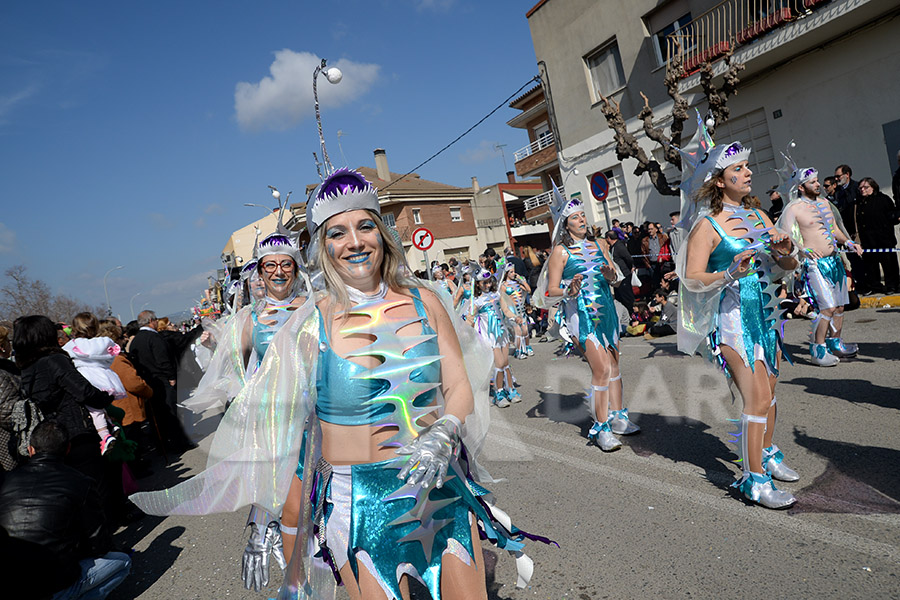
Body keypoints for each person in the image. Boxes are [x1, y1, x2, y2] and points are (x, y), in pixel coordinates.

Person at [131, 166, 550, 600]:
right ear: (322, 248)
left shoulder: (426, 301)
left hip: (439, 493)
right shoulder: (309, 324)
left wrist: (446, 430)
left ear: (382, 233)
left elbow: (458, 386)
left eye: (365, 225)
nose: (354, 241)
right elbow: (276, 437)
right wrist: (263, 525)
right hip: (360, 506)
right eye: (337, 232)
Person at [677, 134, 800, 509]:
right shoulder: (706, 226)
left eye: (746, 167)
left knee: (771, 395)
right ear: (719, 180)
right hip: (732, 321)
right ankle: (753, 481)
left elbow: (787, 266)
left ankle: (763, 454)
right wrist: (729, 273)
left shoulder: (759, 215)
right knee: (756, 398)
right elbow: (692, 277)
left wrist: (785, 253)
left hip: (766, 316)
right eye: (738, 168)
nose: (748, 173)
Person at [535, 186, 640, 452]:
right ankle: (601, 428)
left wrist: (610, 275)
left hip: (607, 311)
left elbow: (616, 278)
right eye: (575, 217)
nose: (582, 220)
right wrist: (570, 290)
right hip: (581, 315)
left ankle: (618, 417)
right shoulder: (560, 252)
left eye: (583, 215)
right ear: (565, 225)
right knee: (601, 368)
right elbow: (551, 290)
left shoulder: (598, 244)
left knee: (614, 366)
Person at [0, 420, 131, 599]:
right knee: (123, 562)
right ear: (68, 449)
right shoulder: (80, 482)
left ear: (30, 449)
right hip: (54, 583)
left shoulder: (6, 480)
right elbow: (99, 542)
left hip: (12, 582)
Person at [13, 315, 125, 518]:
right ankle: (105, 540)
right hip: (78, 432)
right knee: (97, 487)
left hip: (53, 436)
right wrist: (106, 396)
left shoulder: (26, 367)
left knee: (76, 493)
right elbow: (84, 392)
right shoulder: (54, 361)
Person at [776, 165, 863, 365]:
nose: (817, 185)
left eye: (817, 181)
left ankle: (835, 343)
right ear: (801, 187)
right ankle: (818, 349)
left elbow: (834, 230)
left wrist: (849, 242)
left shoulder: (824, 203)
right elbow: (784, 235)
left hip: (834, 261)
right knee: (827, 308)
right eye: (812, 182)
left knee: (840, 305)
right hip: (815, 265)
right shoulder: (793, 208)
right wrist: (802, 249)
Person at [128, 310, 195, 452]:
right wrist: (171, 377)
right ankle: (178, 443)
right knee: (171, 413)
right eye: (156, 320)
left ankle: (162, 444)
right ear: (151, 321)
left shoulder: (135, 341)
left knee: (157, 416)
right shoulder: (154, 338)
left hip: (148, 382)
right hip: (163, 381)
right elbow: (163, 360)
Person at [63, 312, 127, 455]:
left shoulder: (72, 345)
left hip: (85, 377)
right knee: (102, 405)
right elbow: (113, 353)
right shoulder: (102, 342)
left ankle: (105, 436)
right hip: (103, 375)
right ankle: (110, 424)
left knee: (94, 409)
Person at [471, 265, 521, 405]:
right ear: (478, 284)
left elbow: (505, 310)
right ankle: (499, 393)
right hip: (489, 336)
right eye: (484, 283)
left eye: (489, 282)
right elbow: (470, 318)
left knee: (505, 363)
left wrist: (515, 318)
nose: (488, 285)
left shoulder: (497, 295)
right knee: (498, 364)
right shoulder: (476, 301)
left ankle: (510, 389)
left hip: (501, 333)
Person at [856, 177, 900, 294]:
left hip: (884, 239)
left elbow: (892, 214)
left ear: (873, 187)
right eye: (860, 188)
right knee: (871, 266)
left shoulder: (883, 199)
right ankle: (875, 286)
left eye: (866, 187)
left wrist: (894, 218)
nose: (862, 190)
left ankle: (892, 285)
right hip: (868, 241)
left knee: (889, 265)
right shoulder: (860, 202)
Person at [501, 263, 533, 358]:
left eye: (514, 271)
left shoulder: (517, 283)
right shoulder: (503, 286)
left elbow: (528, 290)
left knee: (525, 330)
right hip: (512, 311)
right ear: (506, 273)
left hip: (521, 310)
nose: (513, 273)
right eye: (511, 272)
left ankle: (528, 347)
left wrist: (521, 280)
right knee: (517, 331)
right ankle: (519, 351)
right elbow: (501, 299)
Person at [605, 230, 635, 315]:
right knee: (619, 297)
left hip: (624, 275)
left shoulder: (619, 246)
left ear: (609, 238)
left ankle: (632, 314)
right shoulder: (611, 247)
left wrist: (629, 268)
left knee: (627, 297)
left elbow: (628, 258)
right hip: (618, 277)